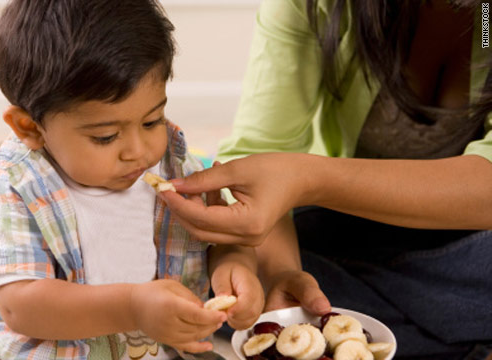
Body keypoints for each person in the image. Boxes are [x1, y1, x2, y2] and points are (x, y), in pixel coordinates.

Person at [159, 0, 492, 359]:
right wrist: (281, 272)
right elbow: (263, 148)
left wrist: (308, 177)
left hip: (470, 242)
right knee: (208, 275)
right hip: (344, 225)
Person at [0, 1, 264, 359]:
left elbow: (223, 237)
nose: (138, 150)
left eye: (152, 121)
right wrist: (133, 307)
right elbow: (20, 307)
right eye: (105, 137)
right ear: (30, 127)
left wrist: (235, 266)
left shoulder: (177, 169)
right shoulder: (19, 188)